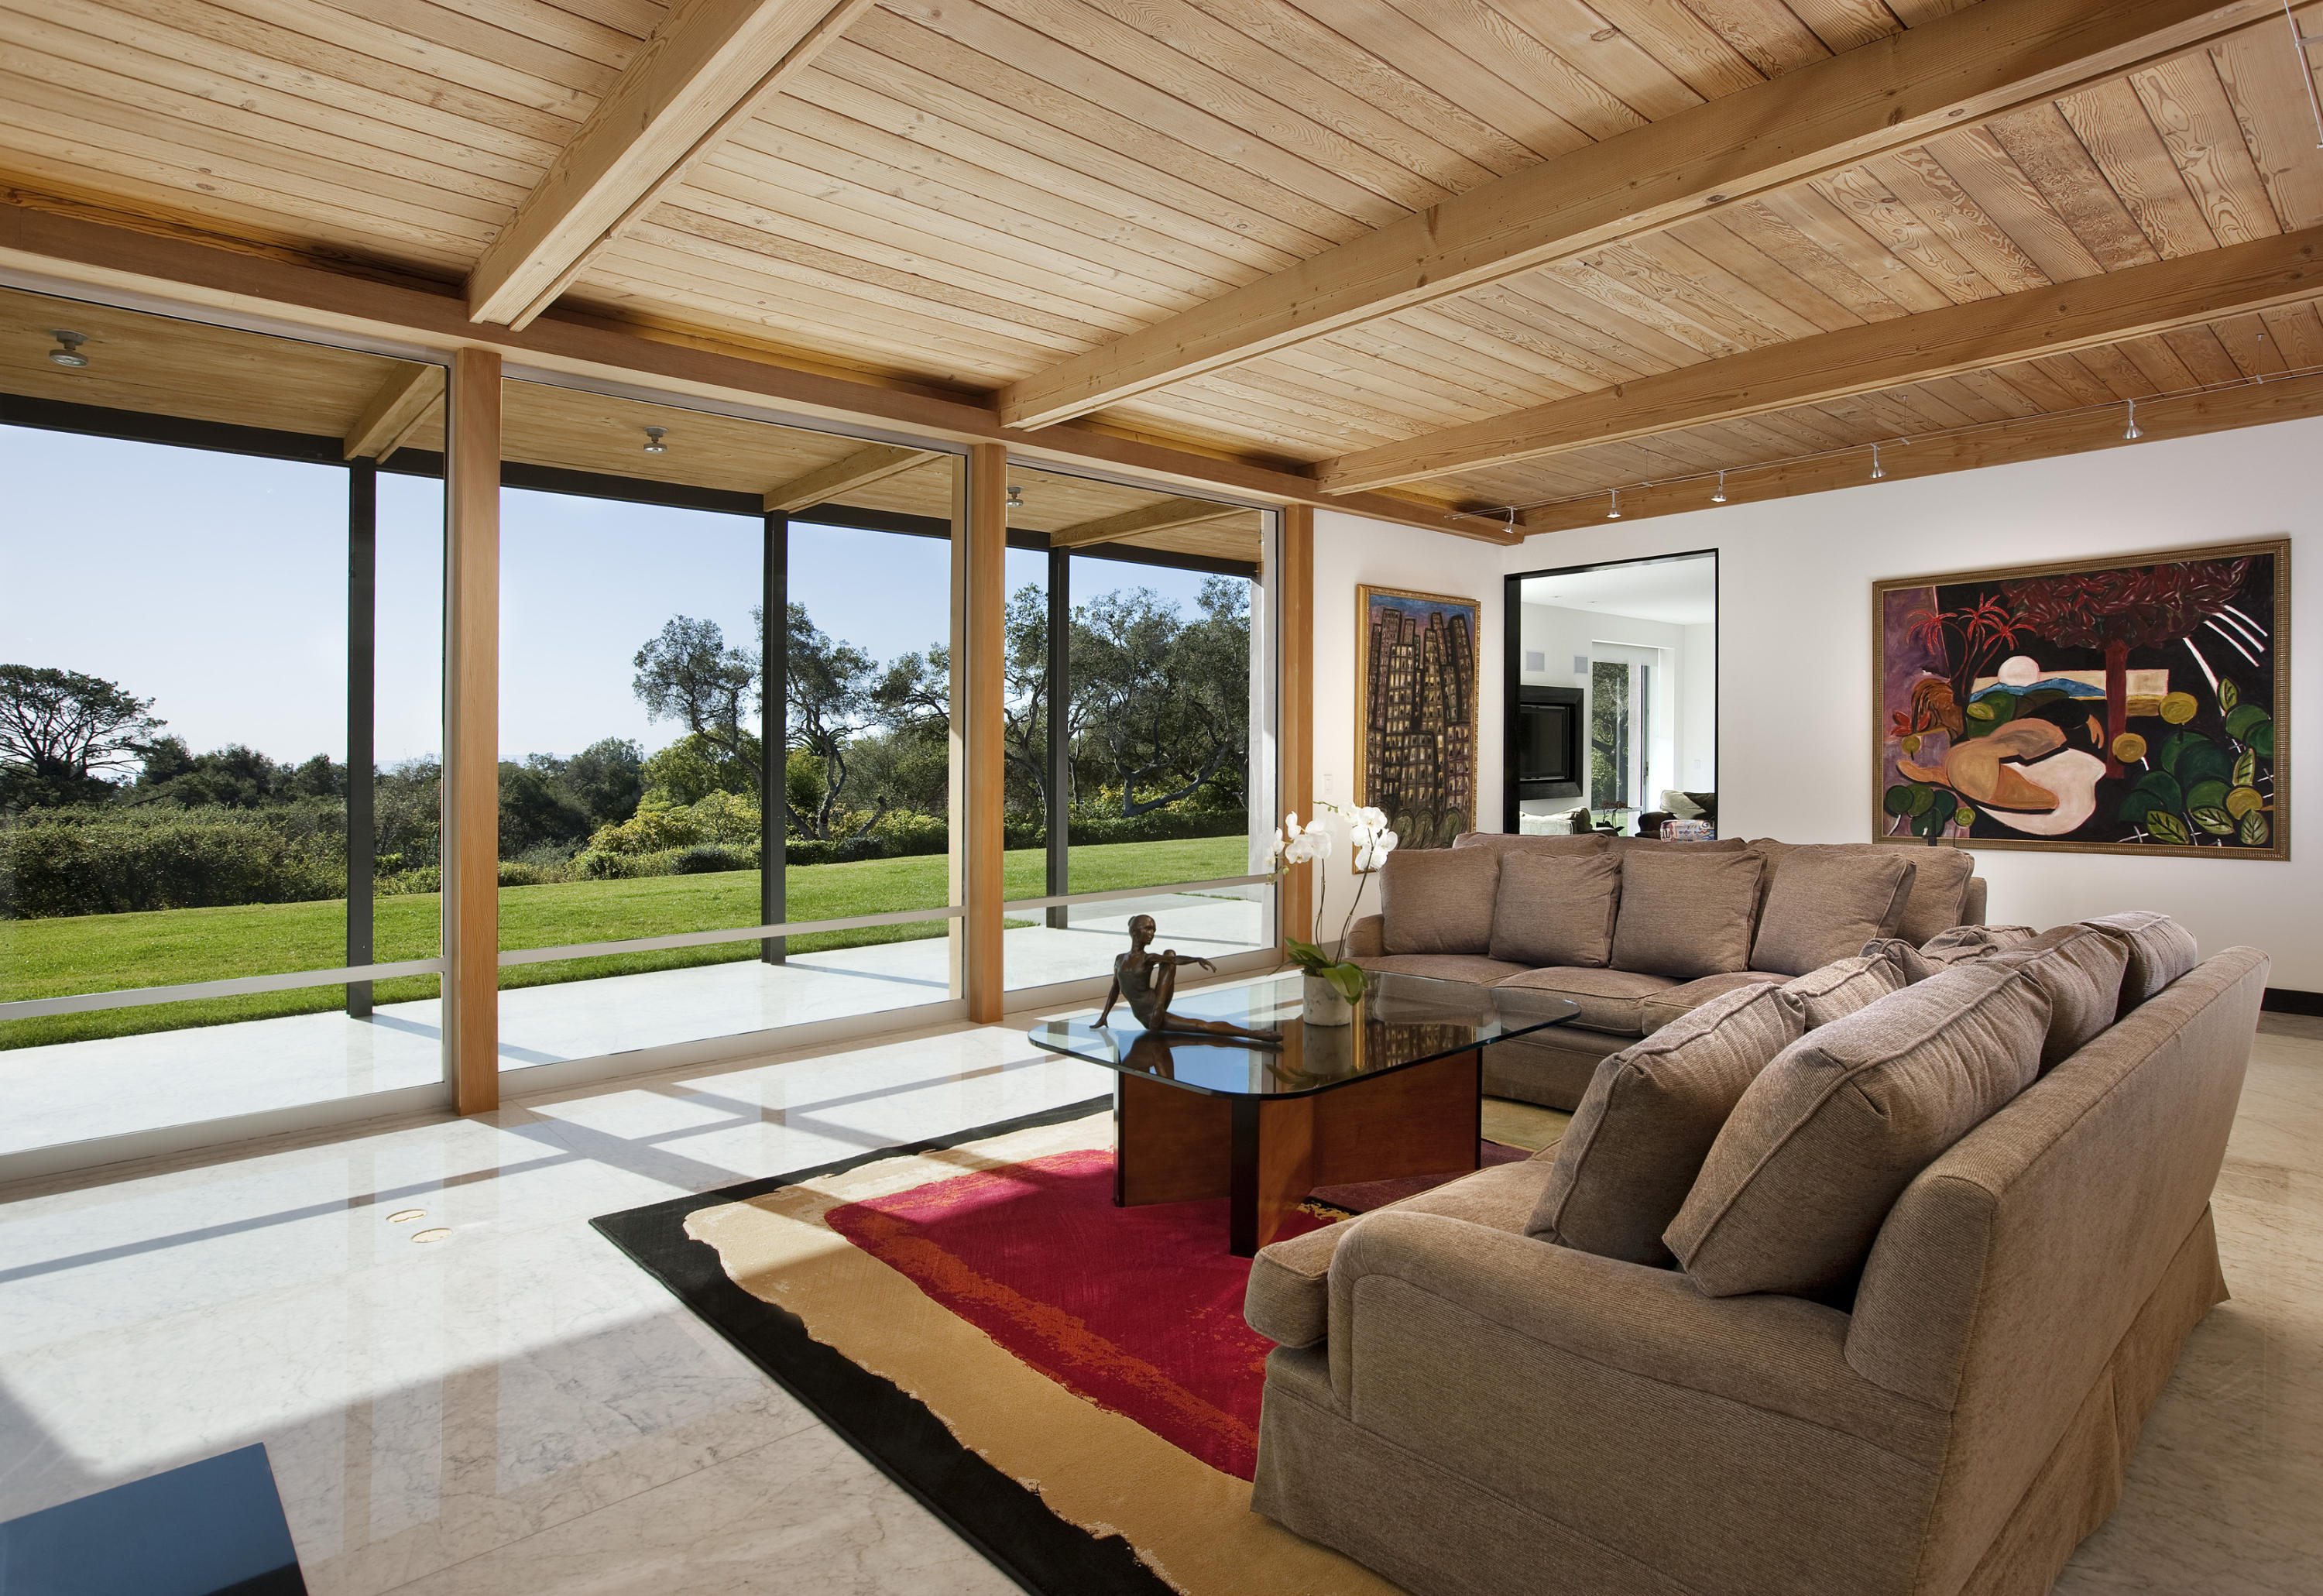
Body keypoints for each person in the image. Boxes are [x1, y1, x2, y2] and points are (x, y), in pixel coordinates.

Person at [1096, 914, 1282, 1045]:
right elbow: (1114, 989)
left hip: (1157, 1007)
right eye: (1148, 928)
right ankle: (1253, 1033)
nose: (1152, 933)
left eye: (1154, 929)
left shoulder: (1148, 958)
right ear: (1135, 931)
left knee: (1169, 955)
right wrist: (1104, 1016)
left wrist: (1196, 959)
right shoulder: (1120, 959)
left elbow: (1173, 960)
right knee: (1201, 1026)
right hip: (1147, 1016)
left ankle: (1254, 1034)